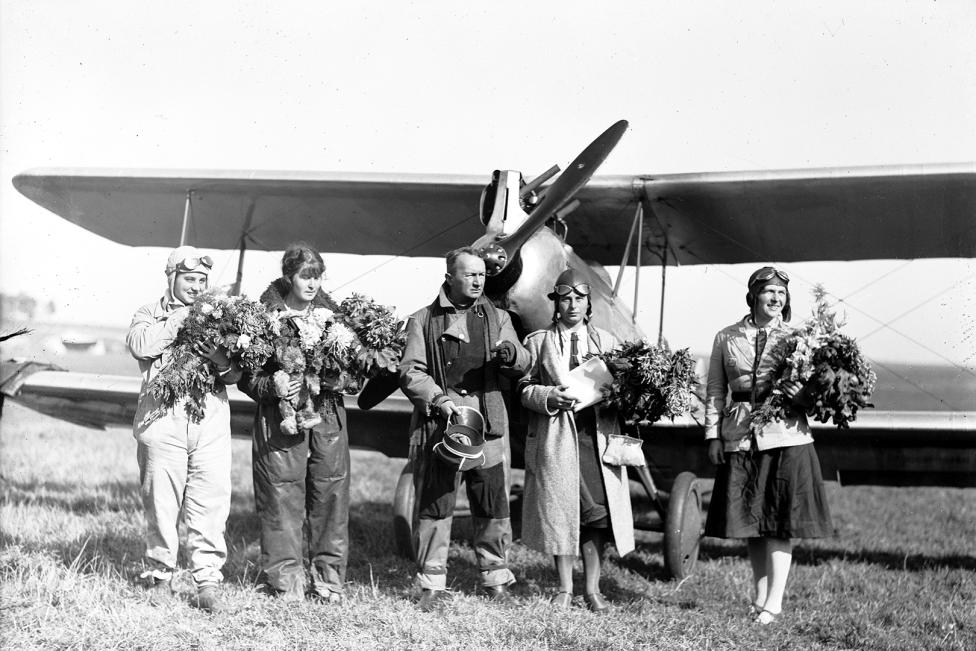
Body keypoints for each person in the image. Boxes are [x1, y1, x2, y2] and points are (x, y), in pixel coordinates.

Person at [398, 246, 531, 612]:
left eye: (482, 274)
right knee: (436, 502)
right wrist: (439, 401)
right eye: (469, 274)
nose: (478, 280)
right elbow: (412, 371)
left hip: (488, 424)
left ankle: (496, 575)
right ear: (450, 278)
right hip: (443, 425)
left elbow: (524, 360)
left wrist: (512, 355)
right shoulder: (422, 320)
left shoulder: (499, 318)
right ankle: (431, 581)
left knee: (492, 501)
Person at [704, 266, 833, 625]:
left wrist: (804, 396)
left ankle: (773, 604)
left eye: (781, 294)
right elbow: (716, 390)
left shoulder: (799, 338)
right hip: (740, 434)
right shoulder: (726, 337)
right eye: (769, 292)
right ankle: (759, 598)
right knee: (751, 520)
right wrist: (713, 435)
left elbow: (818, 391)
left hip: (786, 435)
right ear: (753, 295)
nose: (776, 299)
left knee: (778, 522)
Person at [128, 245, 241, 613]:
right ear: (171, 277)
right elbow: (141, 346)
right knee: (161, 501)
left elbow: (237, 374)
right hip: (162, 420)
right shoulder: (149, 312)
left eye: (202, 281)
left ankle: (207, 581)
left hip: (209, 419)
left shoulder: (221, 315)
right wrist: (183, 319)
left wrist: (221, 359)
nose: (196, 286)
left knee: (211, 499)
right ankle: (160, 574)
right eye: (189, 279)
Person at [238, 244, 351, 603]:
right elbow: (247, 376)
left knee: (330, 495)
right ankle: (285, 582)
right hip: (279, 419)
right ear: (289, 276)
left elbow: (354, 373)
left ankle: (329, 581)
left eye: (318, 276)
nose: (313, 283)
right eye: (305, 275)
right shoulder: (263, 318)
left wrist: (336, 382)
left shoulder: (336, 320)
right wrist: (271, 385)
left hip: (327, 415)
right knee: (281, 496)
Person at [519, 268, 635, 612]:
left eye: (580, 298)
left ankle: (593, 589)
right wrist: (548, 396)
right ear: (555, 303)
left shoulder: (609, 342)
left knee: (598, 515)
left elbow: (624, 392)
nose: (573, 305)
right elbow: (523, 389)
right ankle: (565, 588)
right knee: (562, 511)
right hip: (557, 438)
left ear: (589, 303)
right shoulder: (537, 342)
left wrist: (618, 393)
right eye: (565, 298)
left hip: (596, 437)